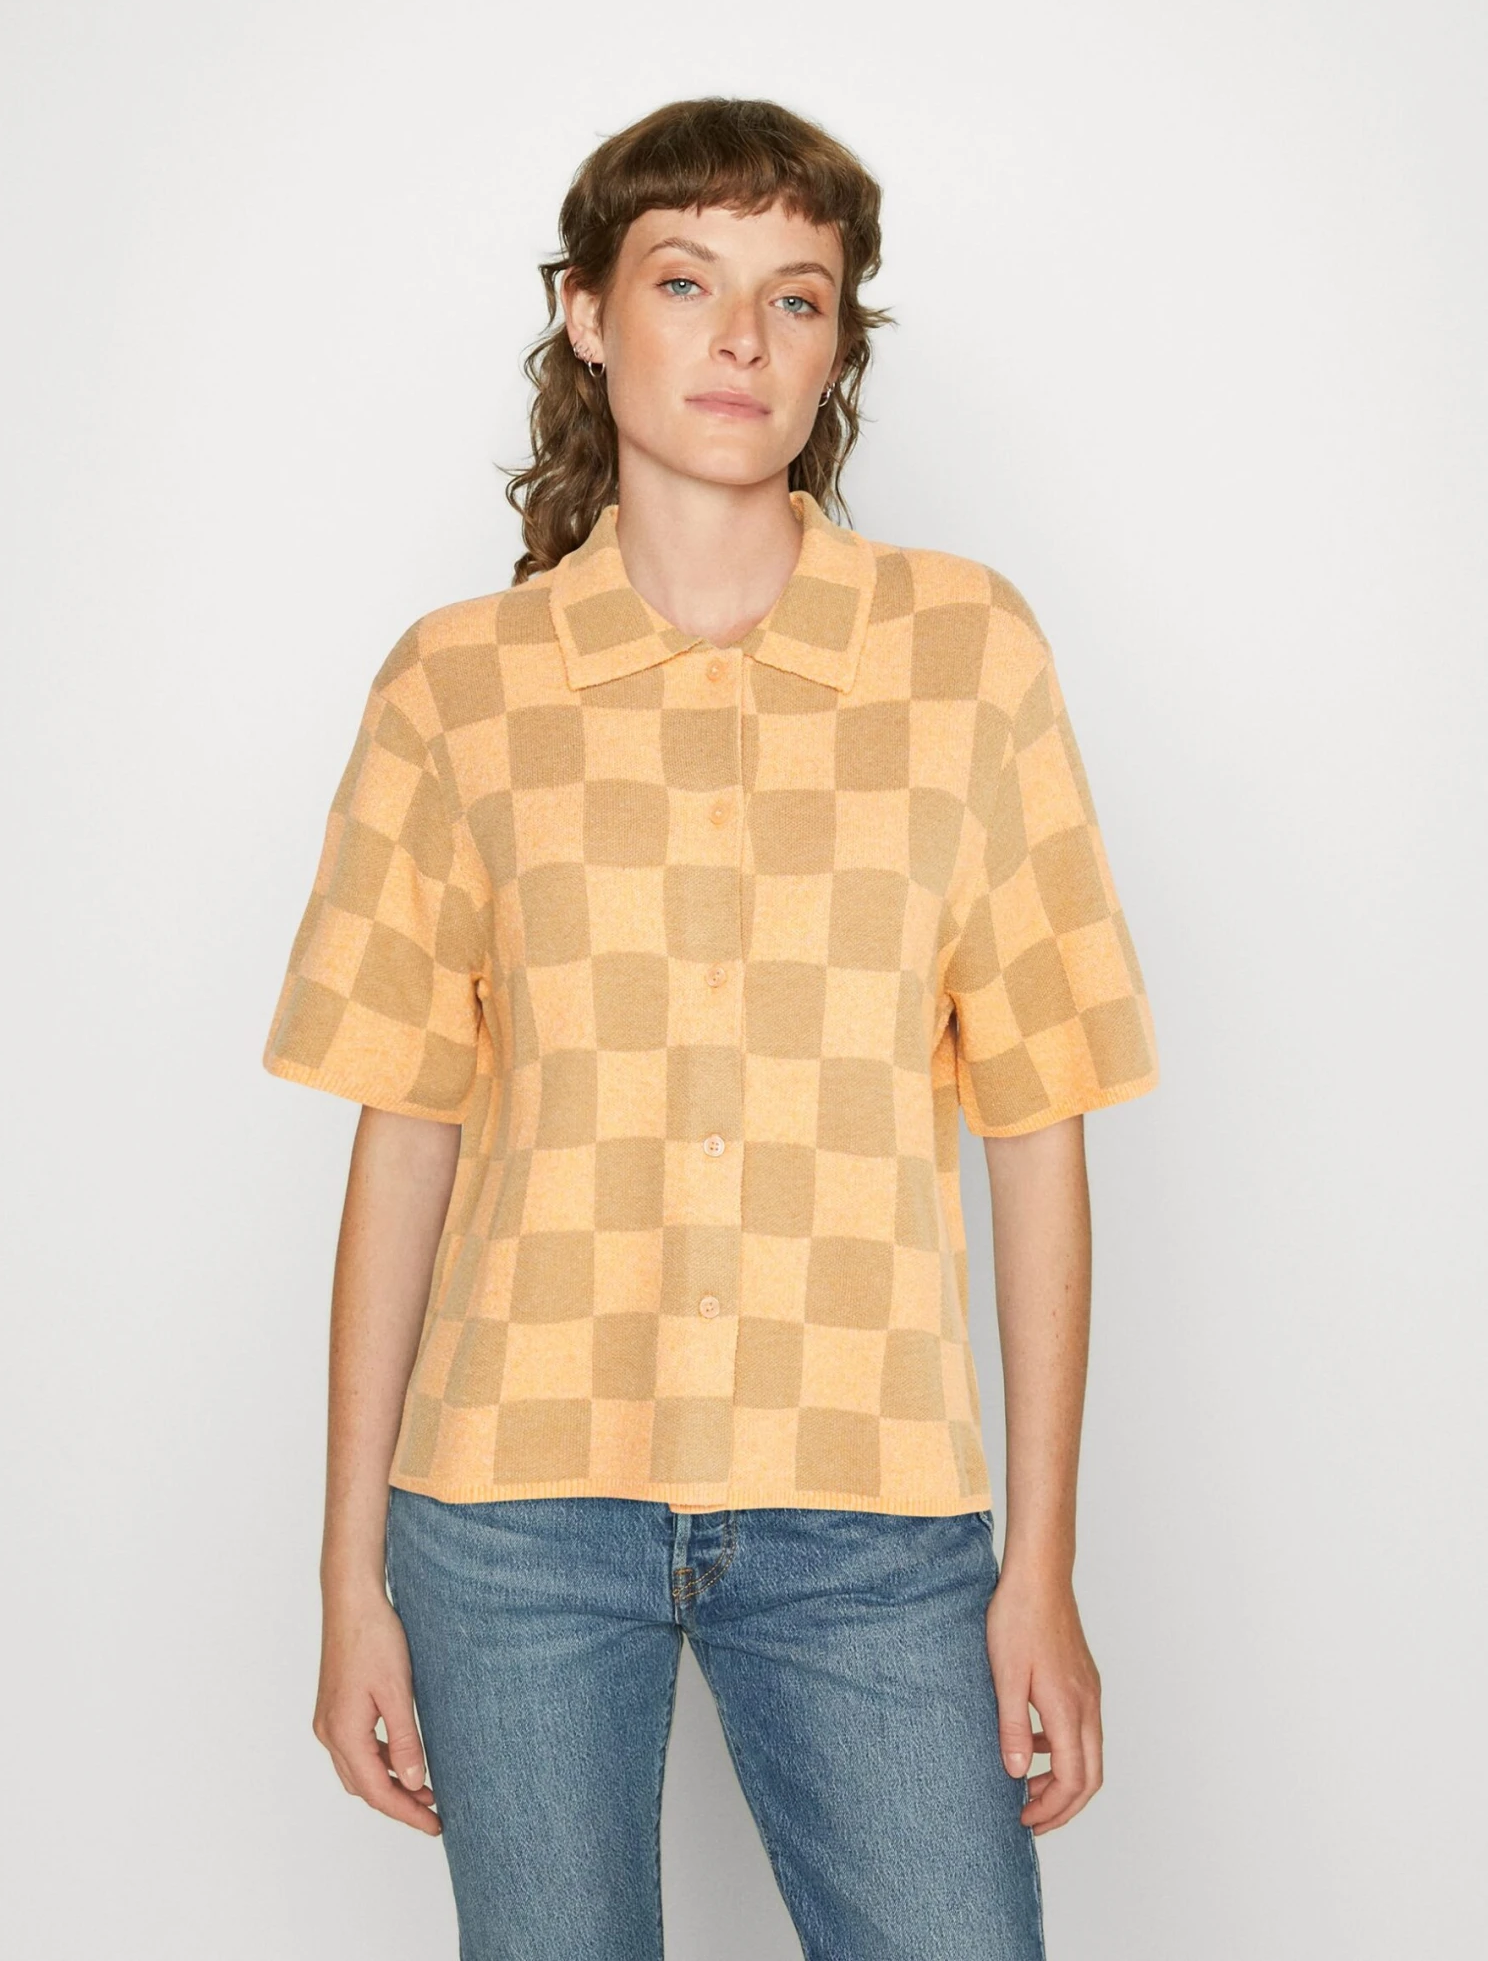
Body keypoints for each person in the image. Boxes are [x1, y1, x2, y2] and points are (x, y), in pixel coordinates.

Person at [261, 95, 1159, 1960]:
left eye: (797, 297)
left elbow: (1040, 1114)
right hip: (511, 1507)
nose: (744, 337)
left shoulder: (967, 657)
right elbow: (405, 1126)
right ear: (587, 314)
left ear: (836, 347)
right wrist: (349, 1578)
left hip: (871, 1510)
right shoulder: (456, 688)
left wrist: (1041, 1568)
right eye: (686, 281)